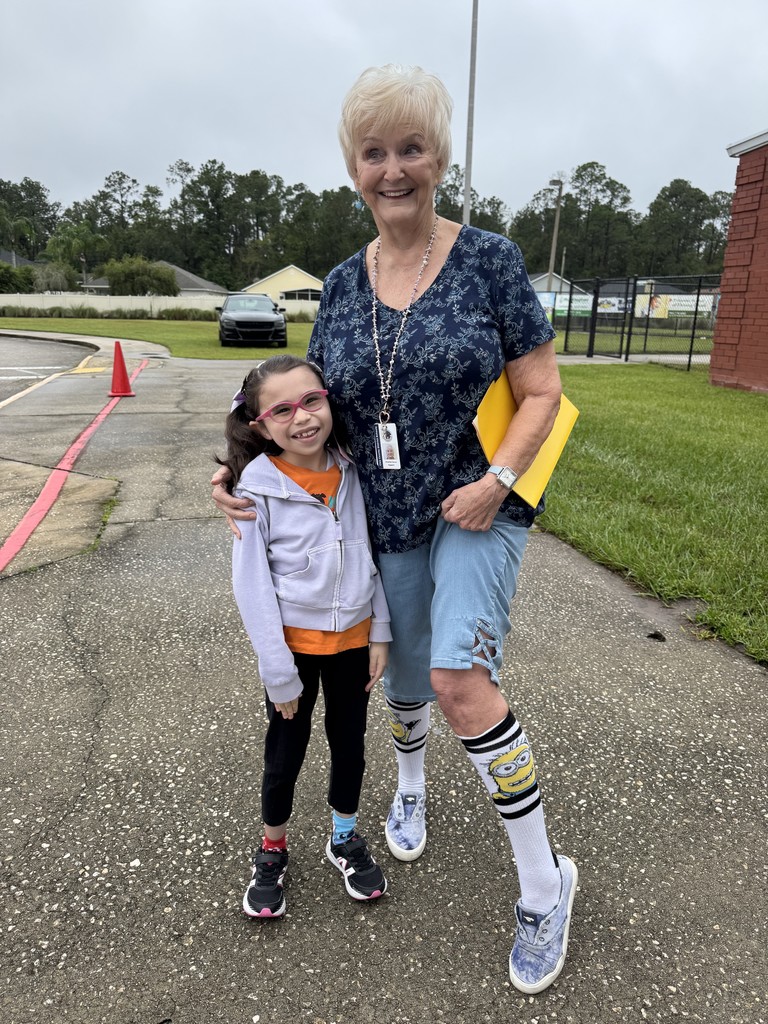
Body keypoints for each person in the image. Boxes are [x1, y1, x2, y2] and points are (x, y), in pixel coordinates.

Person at [212, 65, 577, 993]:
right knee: (404, 671)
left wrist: (499, 481)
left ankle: (545, 883)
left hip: (479, 503)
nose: (393, 168)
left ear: (440, 157)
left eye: (411, 148)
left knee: (458, 679)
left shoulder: (490, 261)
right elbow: (296, 399)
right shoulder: (340, 284)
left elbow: (543, 391)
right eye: (374, 152)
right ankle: (409, 788)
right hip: (384, 510)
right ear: (353, 167)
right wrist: (239, 467)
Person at [218, 354, 391, 918]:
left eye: (311, 401)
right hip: (294, 653)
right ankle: (272, 850)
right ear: (260, 425)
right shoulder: (254, 492)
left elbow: (370, 558)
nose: (302, 418)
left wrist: (380, 632)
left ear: (328, 401)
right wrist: (277, 672)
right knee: (285, 753)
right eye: (282, 410)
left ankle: (343, 836)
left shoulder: (352, 472)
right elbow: (252, 590)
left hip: (355, 646)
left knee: (350, 747)